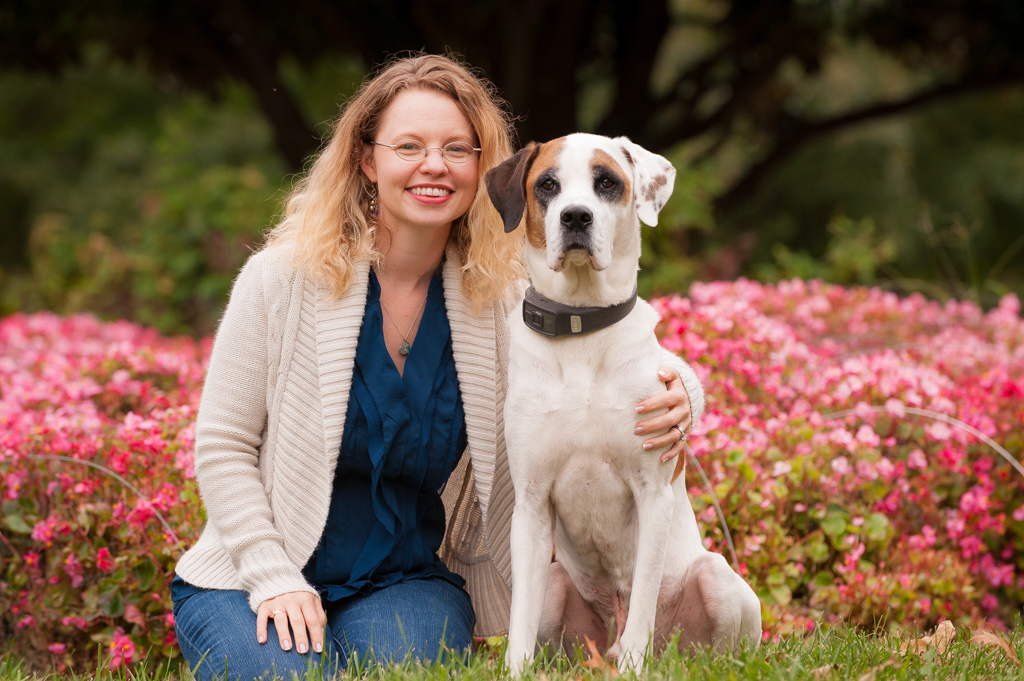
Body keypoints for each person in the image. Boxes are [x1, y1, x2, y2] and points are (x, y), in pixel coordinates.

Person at [171, 53, 699, 680]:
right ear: (367, 161)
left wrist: (686, 391)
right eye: (408, 146)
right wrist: (272, 577)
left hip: (401, 579)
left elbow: (601, 345)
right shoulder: (278, 279)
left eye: (456, 149)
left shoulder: (500, 302)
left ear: (480, 169)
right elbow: (223, 445)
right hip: (249, 577)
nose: (434, 165)